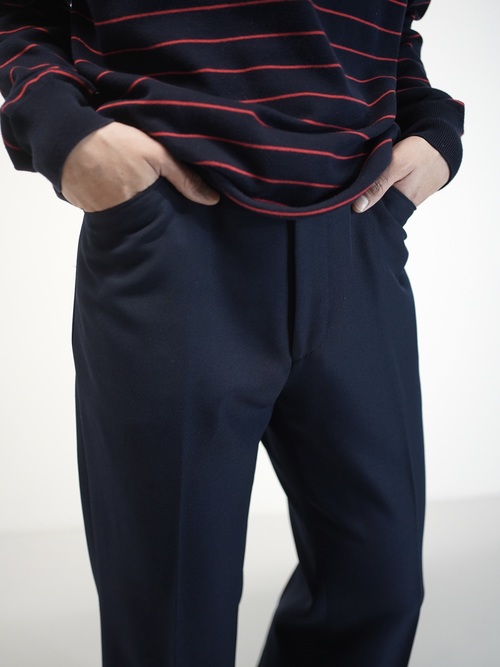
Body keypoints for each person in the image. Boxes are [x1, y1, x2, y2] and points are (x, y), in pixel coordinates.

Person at [0, 1, 464, 666]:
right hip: (175, 239)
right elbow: (22, 14)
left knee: (379, 589)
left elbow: (387, 34)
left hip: (358, 233)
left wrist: (433, 130)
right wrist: (67, 134)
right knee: (173, 626)